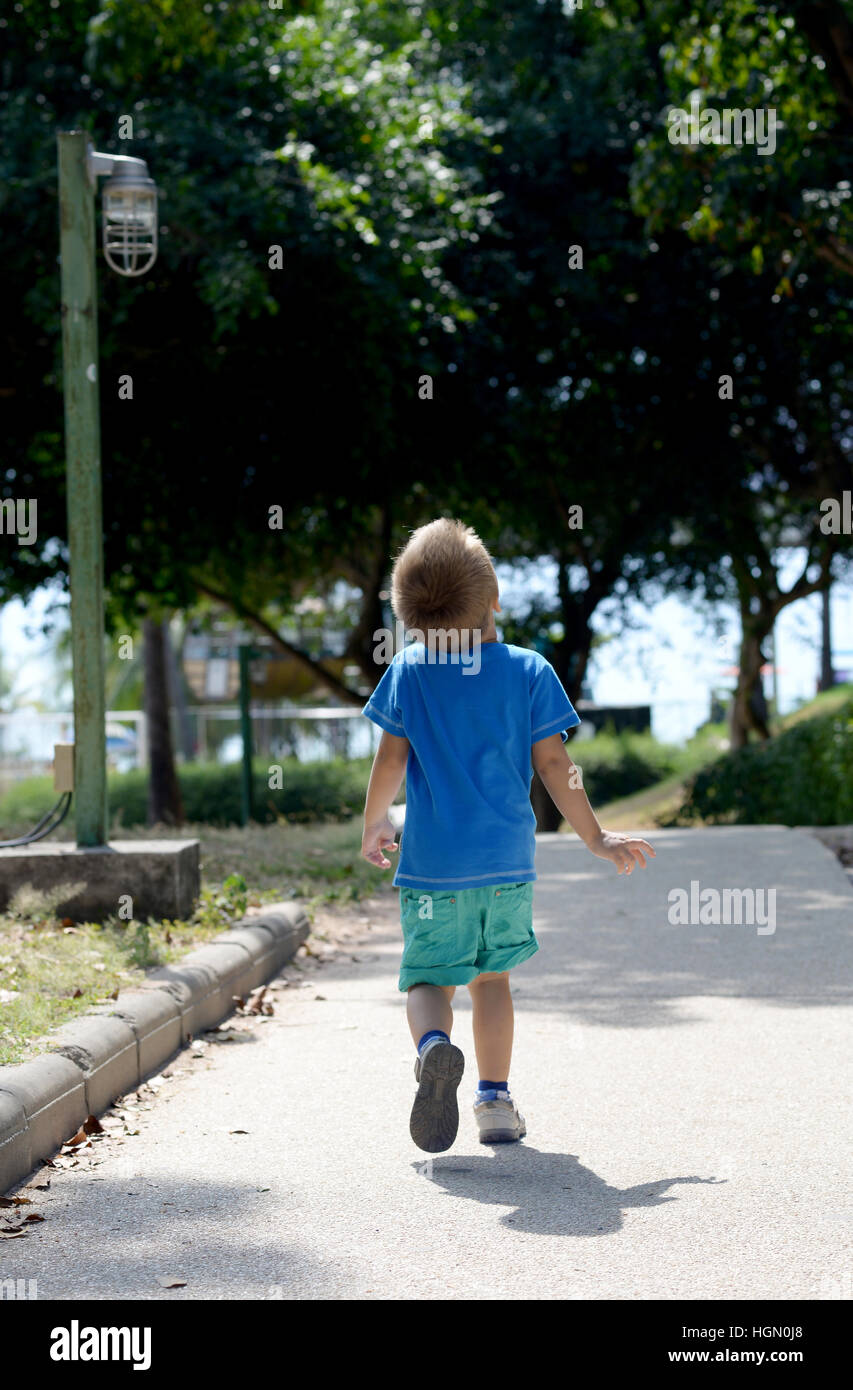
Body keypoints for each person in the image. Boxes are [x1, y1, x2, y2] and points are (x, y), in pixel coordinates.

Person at [361, 519, 655, 1153]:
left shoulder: (407, 673)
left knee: (428, 980)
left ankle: (434, 1048)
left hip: (433, 869)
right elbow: (555, 766)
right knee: (491, 981)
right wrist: (597, 839)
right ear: (494, 597)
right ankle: (494, 1102)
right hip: (506, 867)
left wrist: (375, 820)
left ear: (408, 615)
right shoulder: (528, 670)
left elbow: (389, 762)